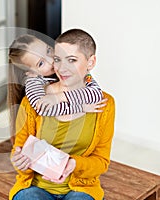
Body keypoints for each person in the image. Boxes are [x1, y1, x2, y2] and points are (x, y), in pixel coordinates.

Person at [8, 29, 115, 200]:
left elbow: (101, 162)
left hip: (80, 189)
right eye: (57, 59)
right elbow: (19, 151)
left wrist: (74, 164)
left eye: (71, 60)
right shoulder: (34, 101)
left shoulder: (104, 104)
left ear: (91, 62)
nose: (61, 67)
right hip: (35, 188)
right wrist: (20, 162)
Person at [8, 34, 104, 139]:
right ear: (30, 72)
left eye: (48, 51)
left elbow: (95, 93)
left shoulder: (72, 70)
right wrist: (81, 107)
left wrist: (60, 97)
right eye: (41, 63)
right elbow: (46, 110)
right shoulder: (33, 84)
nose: (52, 60)